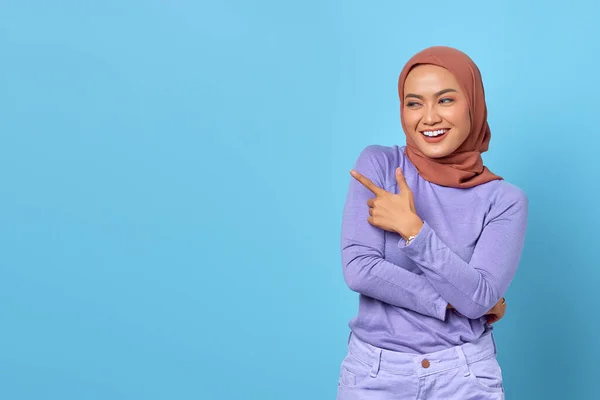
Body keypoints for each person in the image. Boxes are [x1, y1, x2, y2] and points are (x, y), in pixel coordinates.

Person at [337, 46, 528, 399]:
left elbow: (479, 298)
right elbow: (359, 269)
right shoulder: (379, 165)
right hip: (374, 374)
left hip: (465, 376)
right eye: (414, 103)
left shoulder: (504, 201)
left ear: (473, 103)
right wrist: (458, 301)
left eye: (445, 100)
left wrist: (414, 230)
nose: (429, 118)